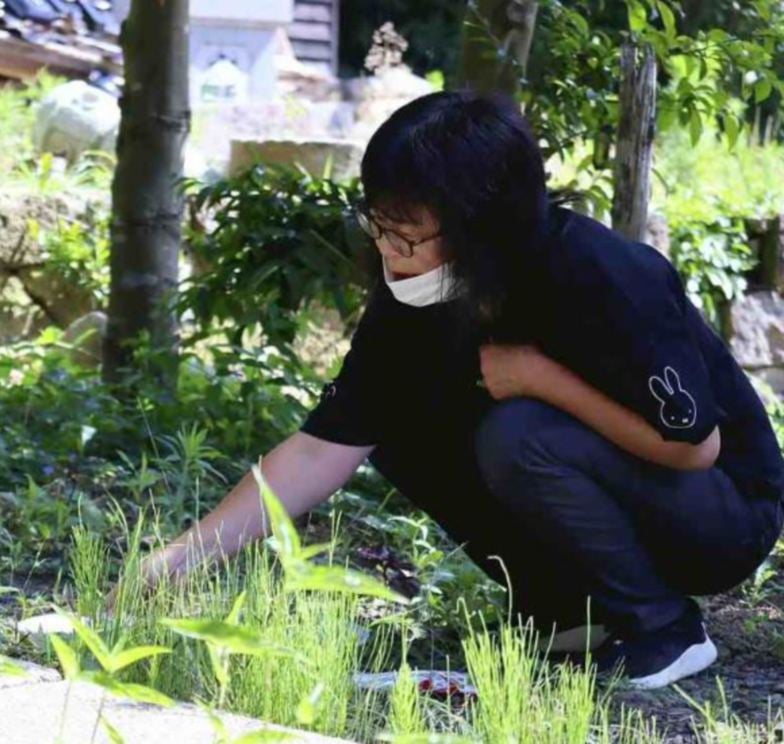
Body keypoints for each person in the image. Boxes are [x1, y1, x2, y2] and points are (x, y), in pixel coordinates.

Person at [128, 90, 784, 690]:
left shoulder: (605, 275)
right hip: (626, 484)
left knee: (519, 433)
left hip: (723, 513)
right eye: (378, 226)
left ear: (481, 226)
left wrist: (541, 380)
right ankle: (568, 614)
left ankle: (663, 627)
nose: (389, 252)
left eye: (407, 234)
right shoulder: (414, 294)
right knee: (400, 426)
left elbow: (695, 447)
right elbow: (323, 446)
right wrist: (182, 558)